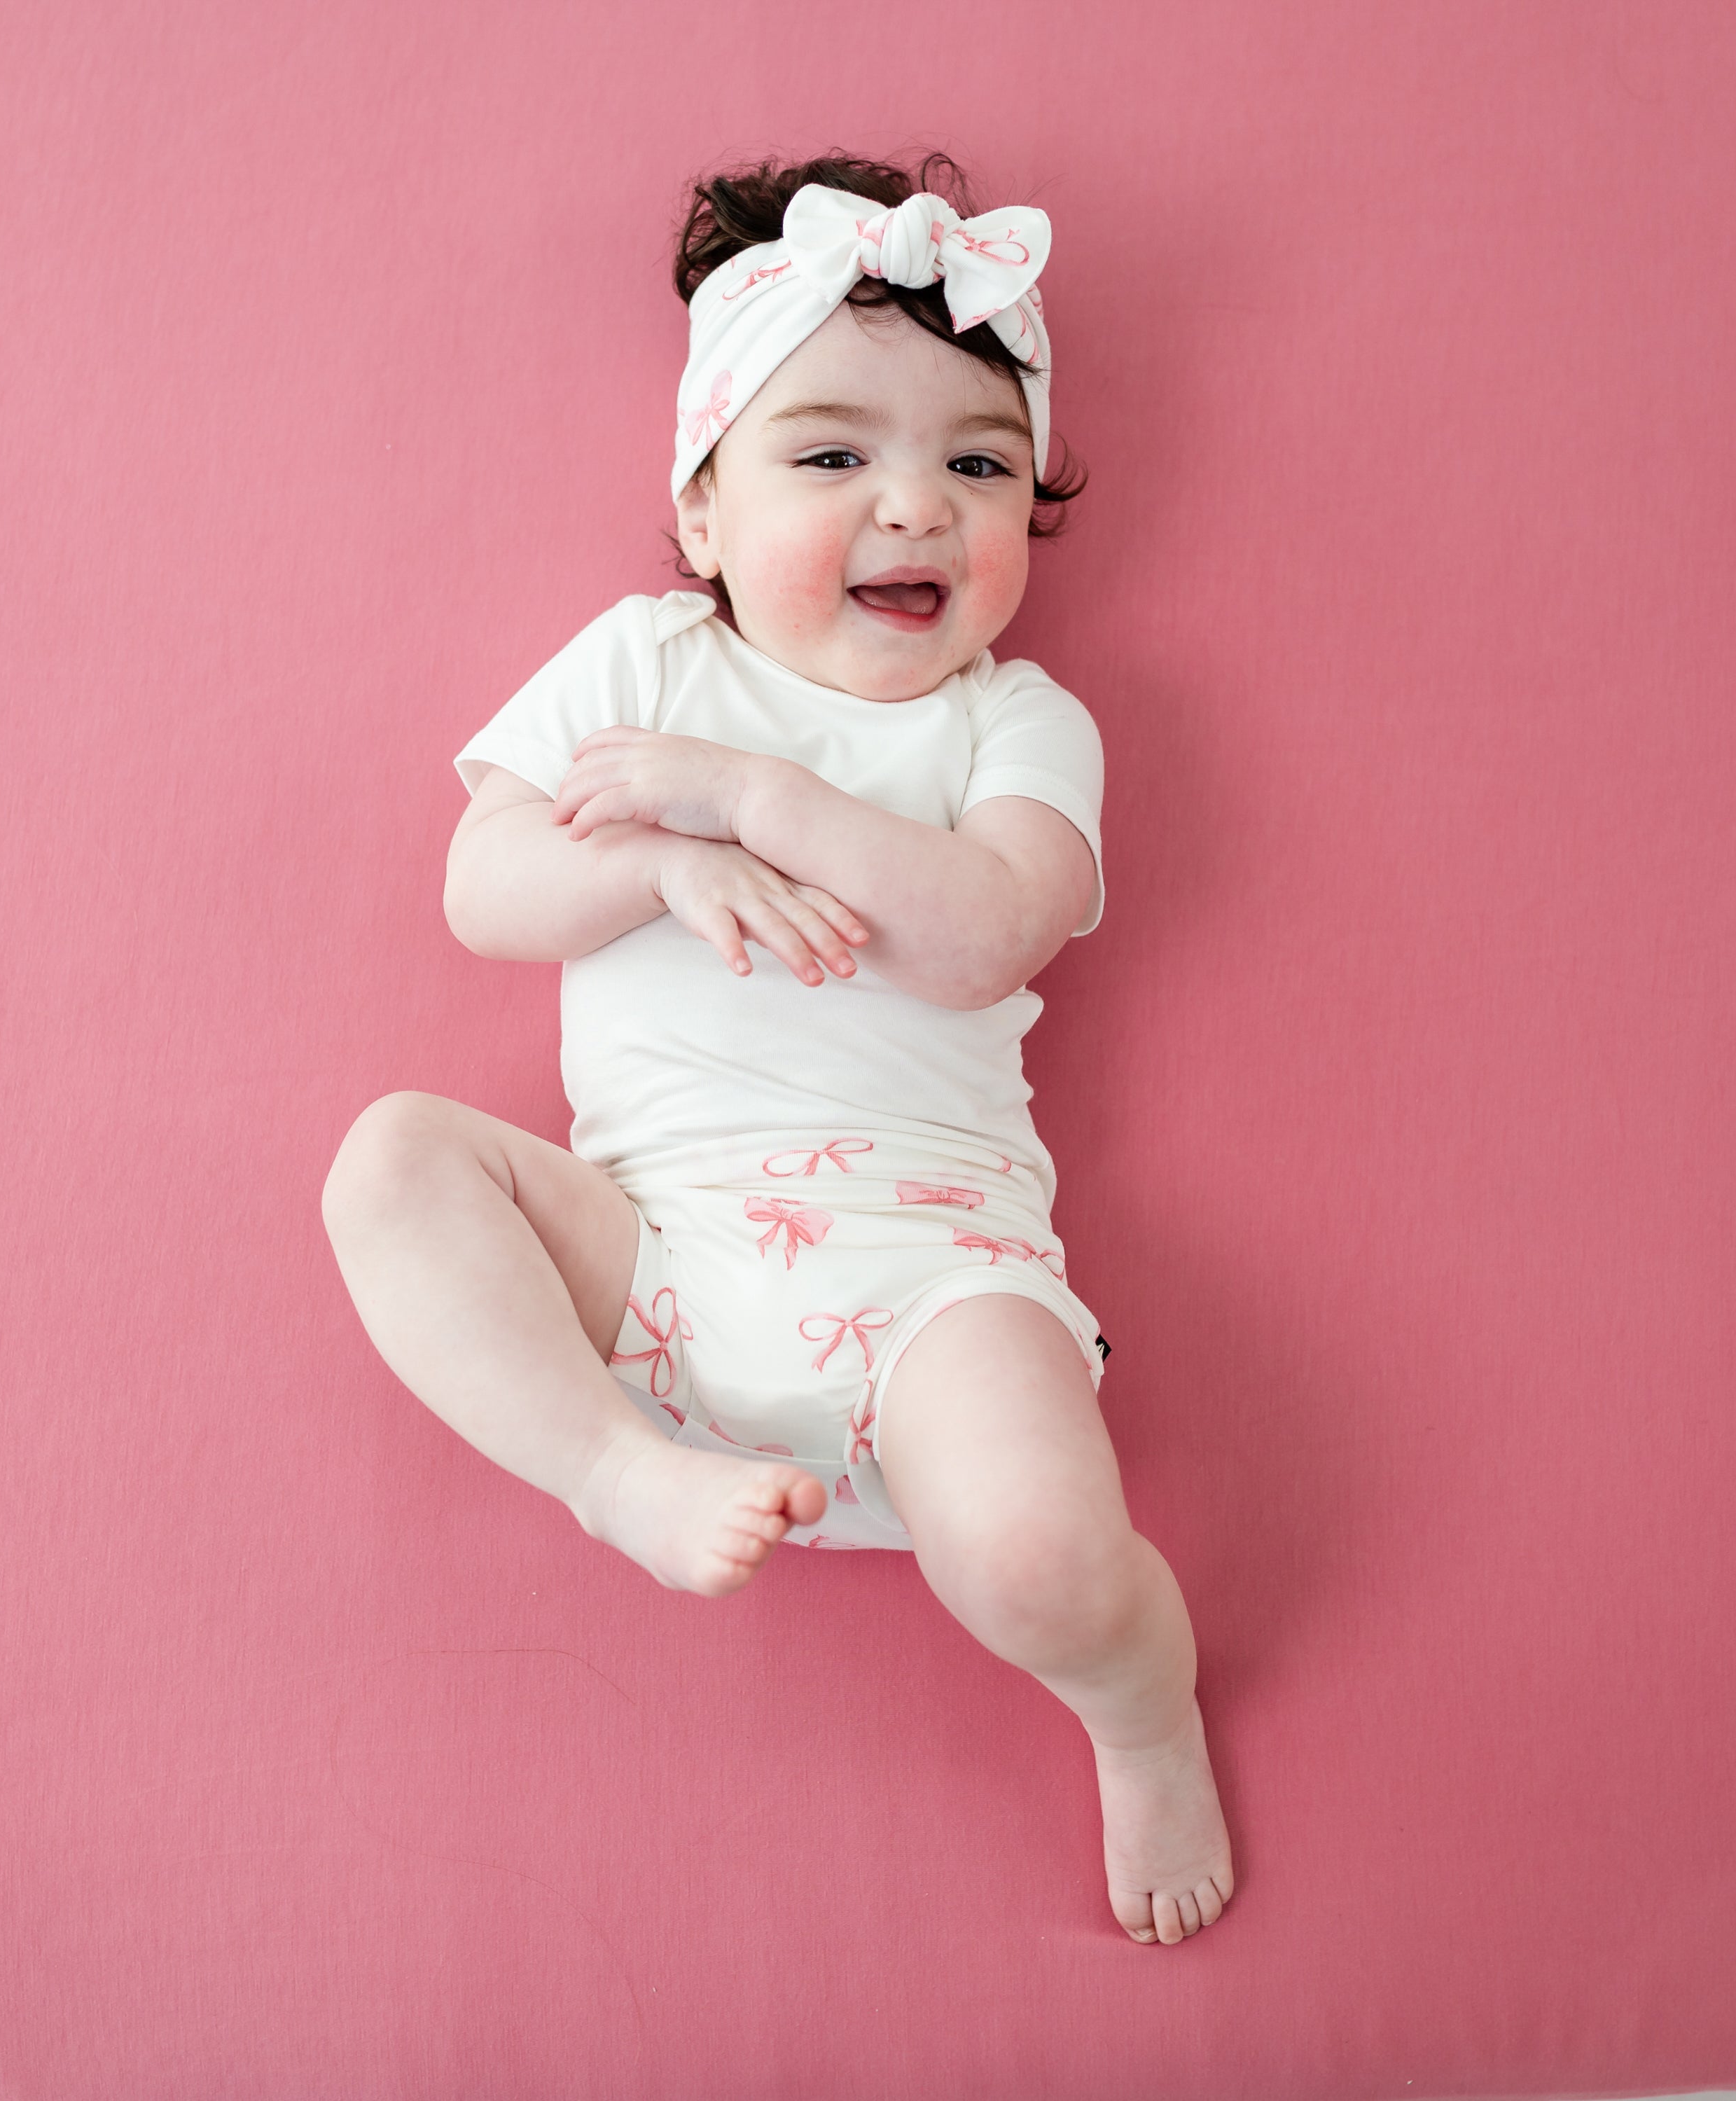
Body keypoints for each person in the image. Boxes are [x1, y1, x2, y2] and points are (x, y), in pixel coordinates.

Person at [321, 151, 1234, 1945]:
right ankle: (618, 1474)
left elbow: (988, 932)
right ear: (703, 512)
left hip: (936, 1273)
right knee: (394, 1161)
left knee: (1047, 1556)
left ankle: (1141, 1714)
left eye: (980, 466)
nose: (914, 508)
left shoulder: (1016, 724)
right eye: (829, 457)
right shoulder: (645, 664)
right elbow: (483, 887)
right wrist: (661, 863)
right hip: (658, 1257)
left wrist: (752, 799)